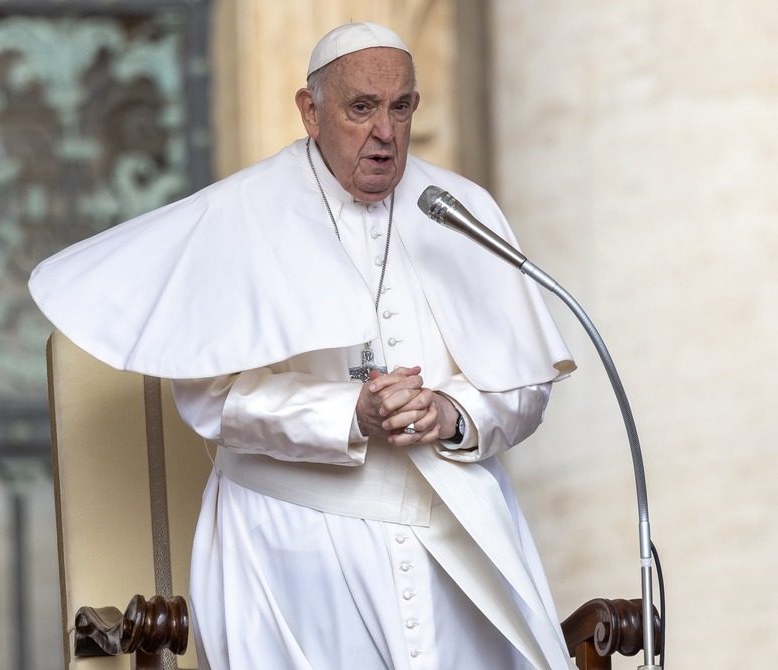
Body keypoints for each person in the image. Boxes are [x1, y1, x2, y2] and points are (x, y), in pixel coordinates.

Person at [31, 21, 576, 670]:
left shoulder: (460, 209)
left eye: (400, 107)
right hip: (287, 546)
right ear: (309, 112)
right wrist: (351, 414)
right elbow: (214, 402)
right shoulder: (239, 218)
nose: (385, 132)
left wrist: (453, 415)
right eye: (362, 108)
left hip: (455, 535)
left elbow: (523, 383)